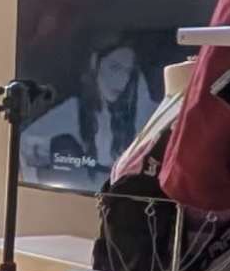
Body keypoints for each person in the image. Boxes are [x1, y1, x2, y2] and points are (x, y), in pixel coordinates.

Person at [25, 39, 153, 188]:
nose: (121, 80)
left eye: (128, 72)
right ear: (95, 63)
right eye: (115, 67)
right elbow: (26, 143)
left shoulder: (129, 115)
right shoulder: (71, 110)